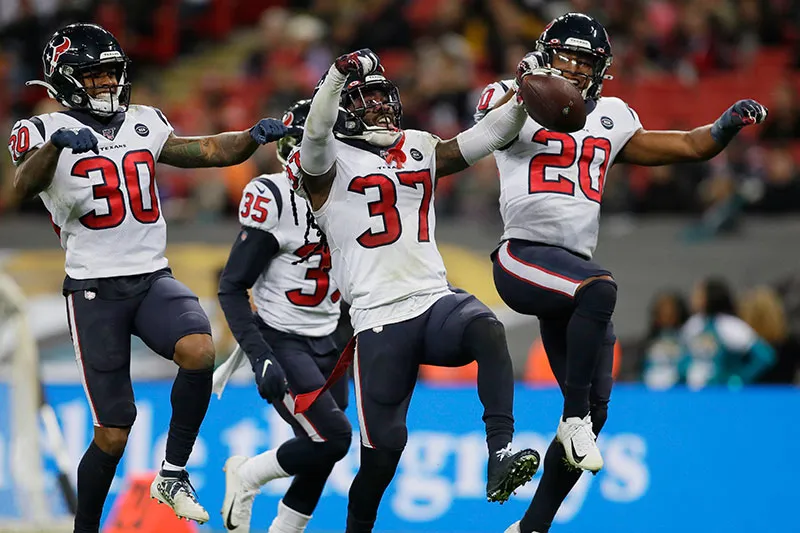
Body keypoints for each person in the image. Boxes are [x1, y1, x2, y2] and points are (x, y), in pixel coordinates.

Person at [476, 13, 768, 533]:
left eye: (585, 60)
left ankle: (531, 526)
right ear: (545, 53)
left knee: (599, 407)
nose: (573, 67)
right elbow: (489, 122)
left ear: (601, 69)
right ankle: (571, 422)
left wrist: (724, 125)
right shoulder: (513, 94)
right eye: (566, 55)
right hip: (522, 257)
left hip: (571, 272)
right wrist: (525, 90)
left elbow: (688, 146)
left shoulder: (611, 115)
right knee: (599, 292)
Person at [7, 23, 293, 531]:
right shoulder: (41, 131)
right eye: (94, 76)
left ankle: (173, 472)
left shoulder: (142, 121)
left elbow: (204, 150)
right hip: (94, 289)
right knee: (114, 433)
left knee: (199, 349)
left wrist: (250, 139)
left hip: (151, 277)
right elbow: (20, 187)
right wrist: (56, 148)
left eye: (112, 74)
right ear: (67, 79)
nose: (107, 85)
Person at [289, 49, 544, 532]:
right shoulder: (324, 162)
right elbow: (316, 132)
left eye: (386, 98)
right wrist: (337, 76)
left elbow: (486, 136)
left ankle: (500, 454)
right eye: (369, 99)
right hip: (378, 317)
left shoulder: (418, 146)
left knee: (487, 329)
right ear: (345, 108)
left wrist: (525, 93)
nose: (383, 108)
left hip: (432, 299)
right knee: (381, 459)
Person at [213, 100, 352, 533]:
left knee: (321, 444)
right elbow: (232, 286)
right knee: (333, 438)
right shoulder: (273, 197)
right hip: (283, 337)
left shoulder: (355, 194)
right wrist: (260, 356)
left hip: (329, 334)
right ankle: (248, 475)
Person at [681, 278, 775, 389]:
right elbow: (683, 356)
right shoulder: (693, 324)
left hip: (720, 392)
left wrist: (740, 378)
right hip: (692, 391)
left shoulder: (730, 326)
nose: (693, 298)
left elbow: (765, 355)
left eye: (699, 295)